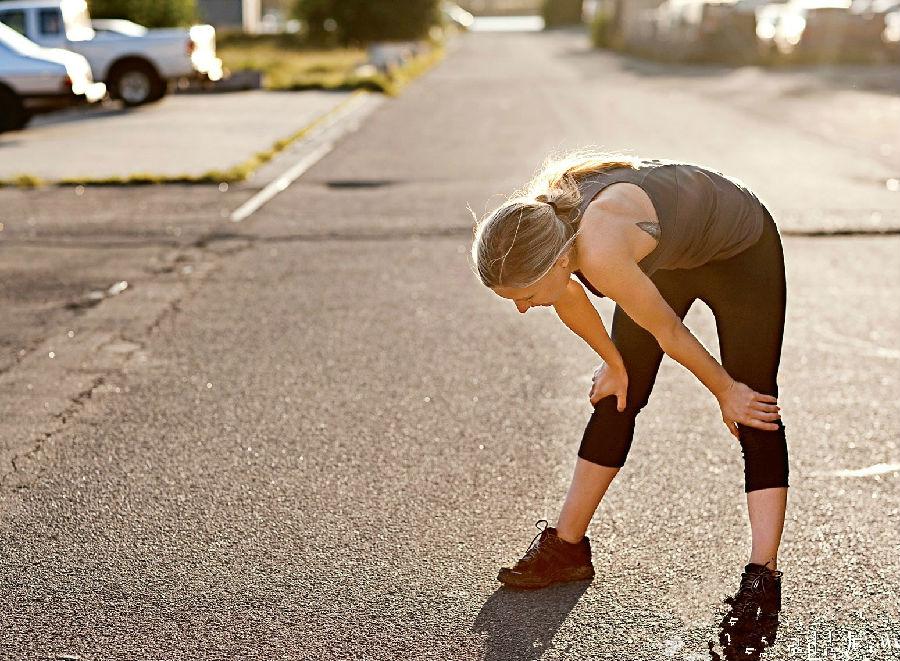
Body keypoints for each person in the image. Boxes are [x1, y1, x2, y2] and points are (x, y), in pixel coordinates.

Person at [468, 149, 788, 622]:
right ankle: (567, 548)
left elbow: (671, 334)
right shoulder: (547, 232)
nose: (522, 308)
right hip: (666, 257)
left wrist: (725, 391)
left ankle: (763, 574)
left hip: (740, 251)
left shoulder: (600, 250)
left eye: (525, 297)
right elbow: (569, 298)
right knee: (618, 393)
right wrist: (614, 362)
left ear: (556, 265)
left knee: (751, 401)